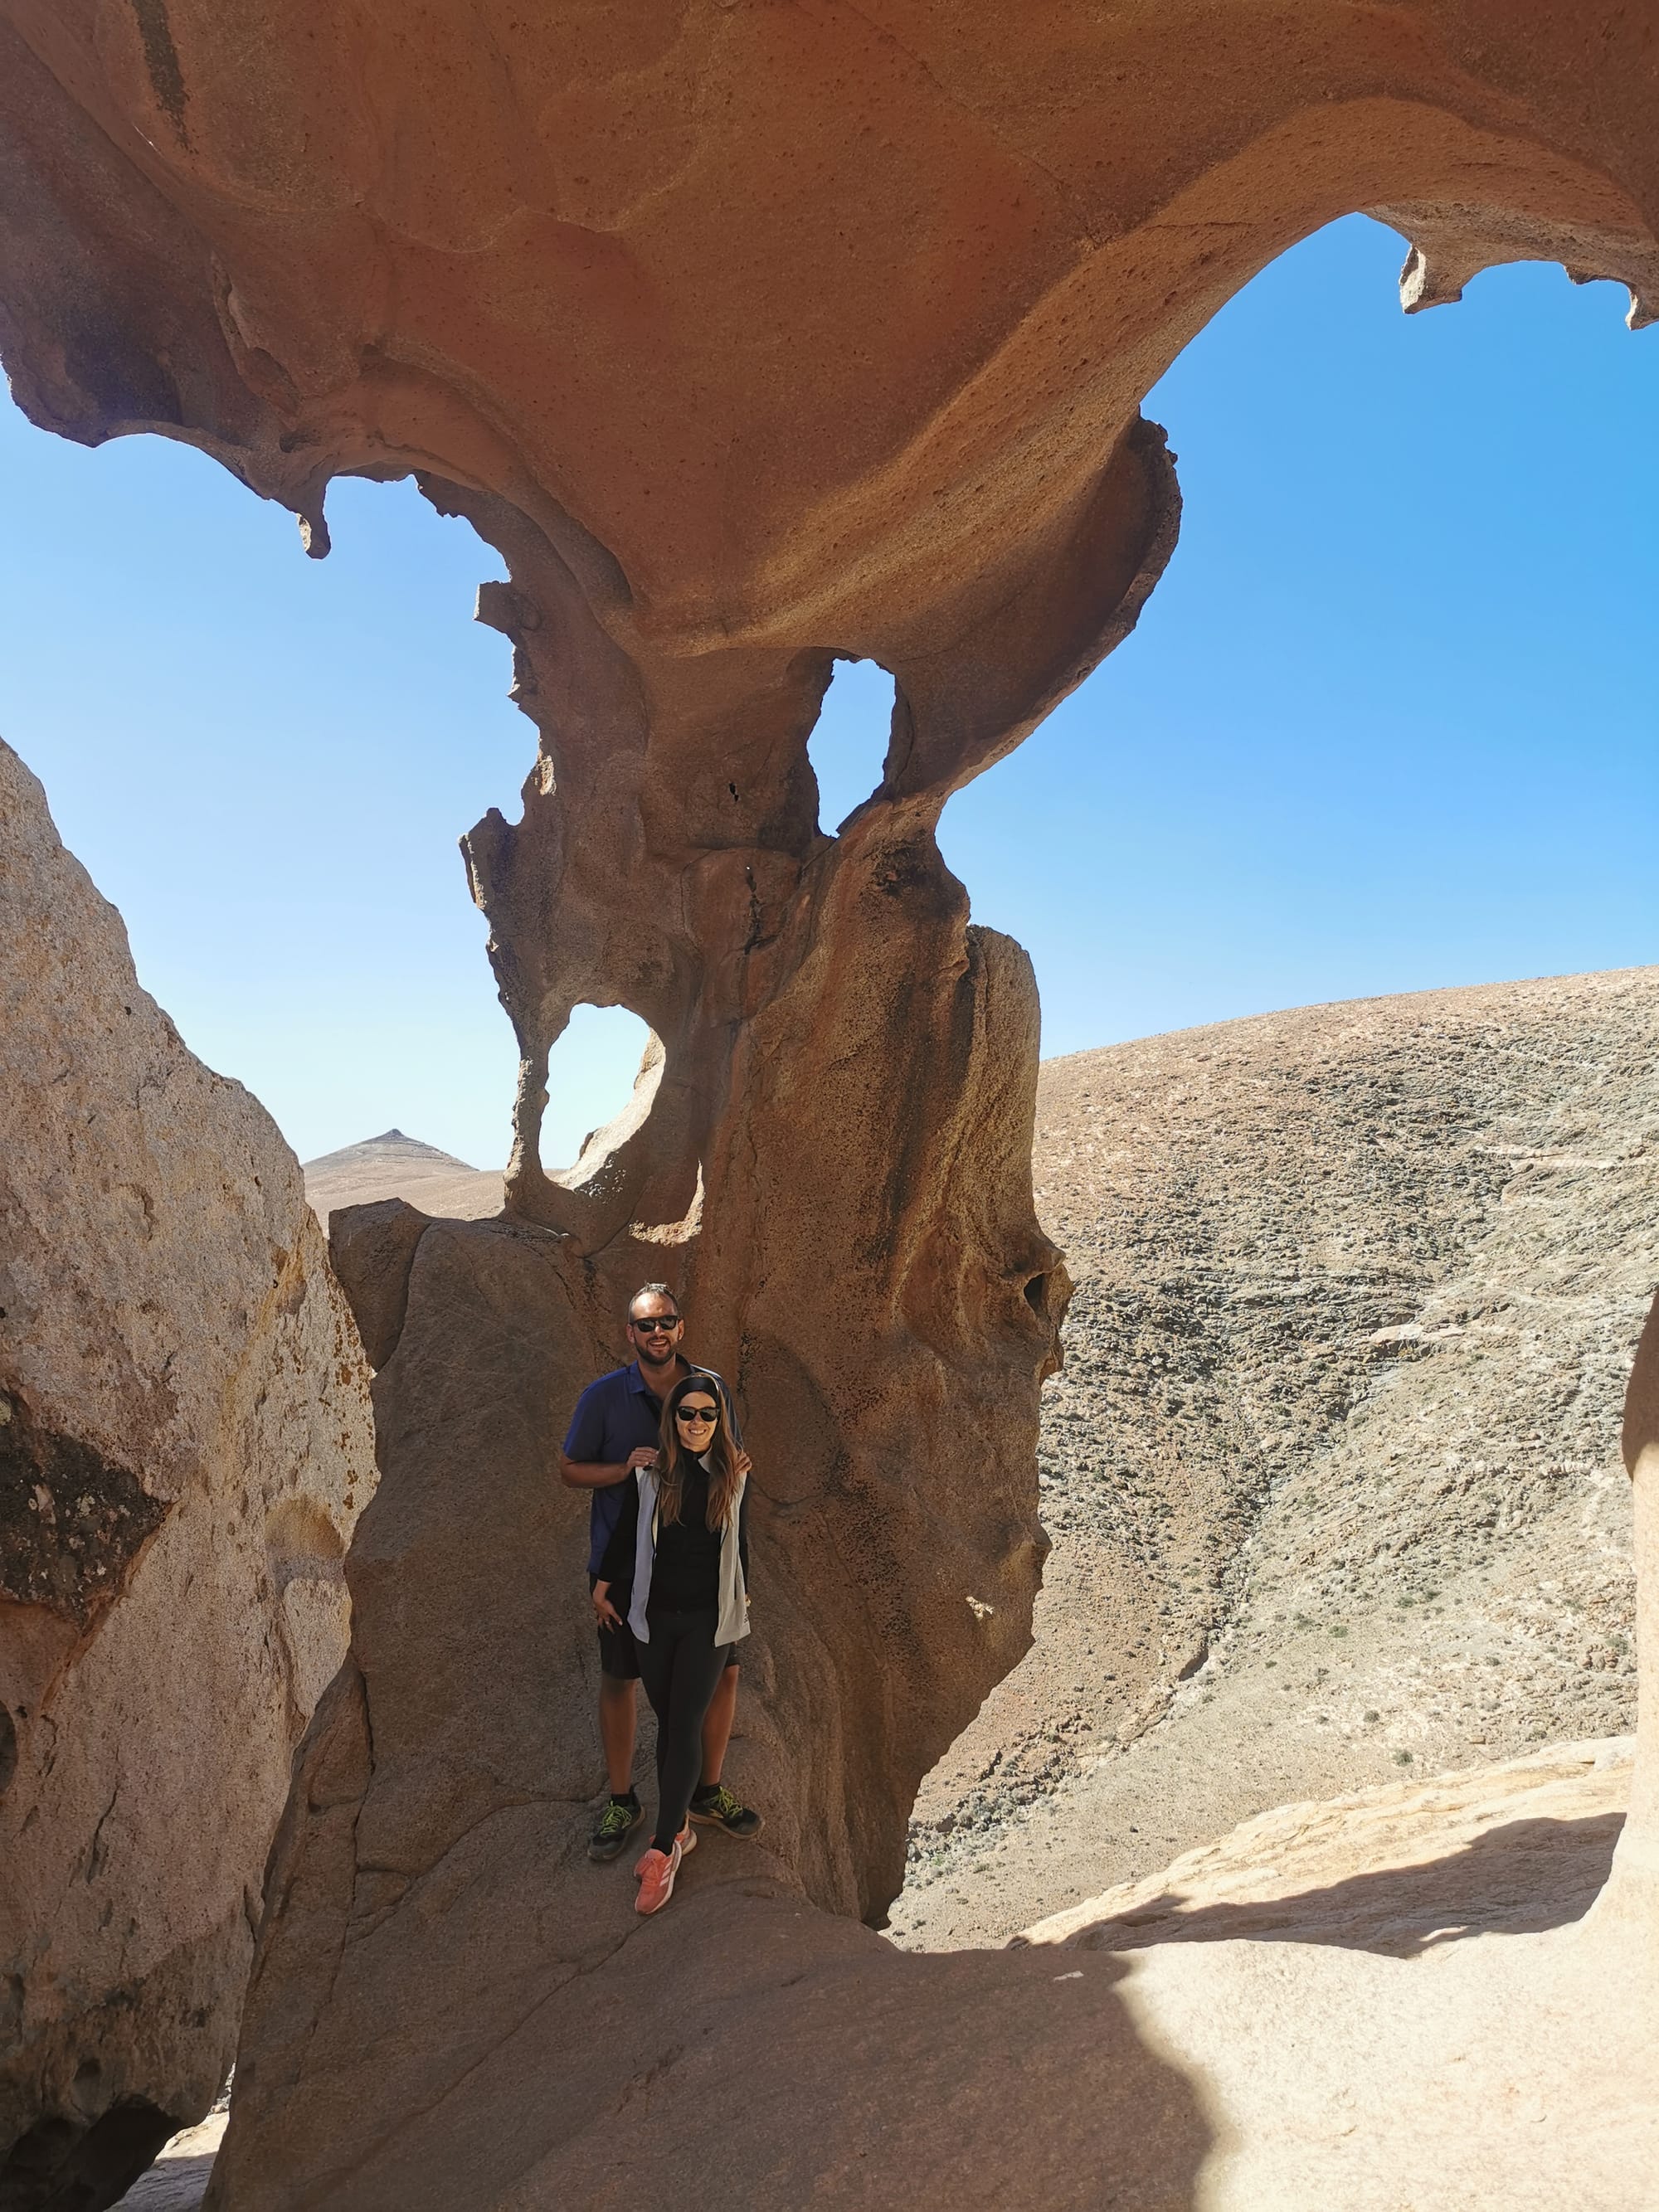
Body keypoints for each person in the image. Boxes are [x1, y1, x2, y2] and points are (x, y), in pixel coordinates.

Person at [561, 1284, 764, 1861]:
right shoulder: (605, 1397)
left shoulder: (709, 1388)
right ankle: (624, 1799)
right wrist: (623, 1471)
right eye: (645, 1324)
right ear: (630, 1332)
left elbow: (731, 1472)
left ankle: (705, 1791)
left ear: (681, 1327)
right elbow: (569, 1469)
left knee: (724, 1676)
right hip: (627, 1569)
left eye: (666, 1322)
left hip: (705, 1579)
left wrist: (740, 1578)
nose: (657, 1333)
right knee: (620, 1678)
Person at [592, 1370, 751, 1915]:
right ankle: (681, 1826)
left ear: (718, 1420)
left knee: (684, 1723)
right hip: (654, 1618)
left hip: (706, 1621)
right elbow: (626, 1532)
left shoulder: (734, 1475)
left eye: (708, 1414)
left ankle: (662, 1851)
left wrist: (739, 1606)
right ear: (674, 1420)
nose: (697, 1422)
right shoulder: (652, 1475)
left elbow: (739, 1545)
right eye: (688, 1413)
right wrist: (602, 1586)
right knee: (668, 1720)